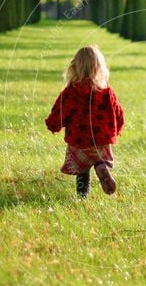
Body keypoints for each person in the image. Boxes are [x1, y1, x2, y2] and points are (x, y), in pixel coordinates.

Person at [45, 46, 125, 197]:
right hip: (101, 139)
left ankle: (82, 195)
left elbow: (60, 111)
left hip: (78, 140)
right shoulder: (106, 91)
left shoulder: (70, 92)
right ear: (100, 67)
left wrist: (52, 124)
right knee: (99, 159)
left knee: (81, 170)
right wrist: (118, 127)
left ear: (74, 67)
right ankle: (101, 167)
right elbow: (118, 112)